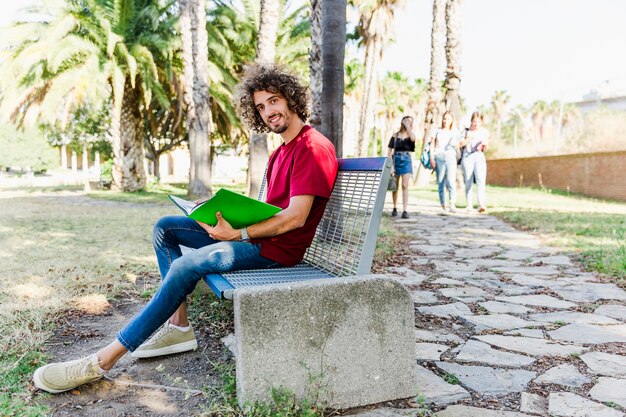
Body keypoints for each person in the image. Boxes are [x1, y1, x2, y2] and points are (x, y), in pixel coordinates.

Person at [32, 64, 339, 394]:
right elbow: (270, 209)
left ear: (291, 99)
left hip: (277, 251)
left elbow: (295, 217)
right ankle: (178, 326)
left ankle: (101, 362)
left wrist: (238, 234)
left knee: (187, 264)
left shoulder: (311, 147)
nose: (268, 112)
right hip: (260, 237)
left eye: (274, 101)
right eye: (260, 107)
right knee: (167, 228)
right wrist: (223, 215)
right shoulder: (282, 150)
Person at [429, 111, 460, 212]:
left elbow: (458, 145)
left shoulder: (455, 131)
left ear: (452, 120)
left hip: (451, 157)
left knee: (451, 180)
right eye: (444, 118)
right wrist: (431, 158)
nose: (446, 121)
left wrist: (455, 144)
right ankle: (443, 204)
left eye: (448, 119)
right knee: (441, 181)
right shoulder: (437, 130)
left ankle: (452, 203)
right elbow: (432, 144)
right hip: (439, 156)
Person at [387, 115, 417, 219]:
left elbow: (413, 139)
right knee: (395, 186)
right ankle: (394, 207)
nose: (409, 123)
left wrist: (408, 127)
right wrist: (391, 166)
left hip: (406, 160)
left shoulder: (410, 136)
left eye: (410, 122)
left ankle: (405, 210)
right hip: (396, 160)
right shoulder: (395, 136)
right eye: (407, 121)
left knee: (405, 185)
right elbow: (389, 152)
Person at [459, 111, 490, 212]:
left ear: (481, 122)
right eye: (474, 121)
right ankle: (469, 205)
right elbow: (459, 144)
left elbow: (487, 144)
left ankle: (481, 204)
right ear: (471, 121)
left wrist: (484, 144)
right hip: (467, 156)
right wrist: (468, 139)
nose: (476, 124)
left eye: (478, 121)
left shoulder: (484, 132)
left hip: (479, 156)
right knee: (468, 181)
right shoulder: (466, 131)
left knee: (481, 180)